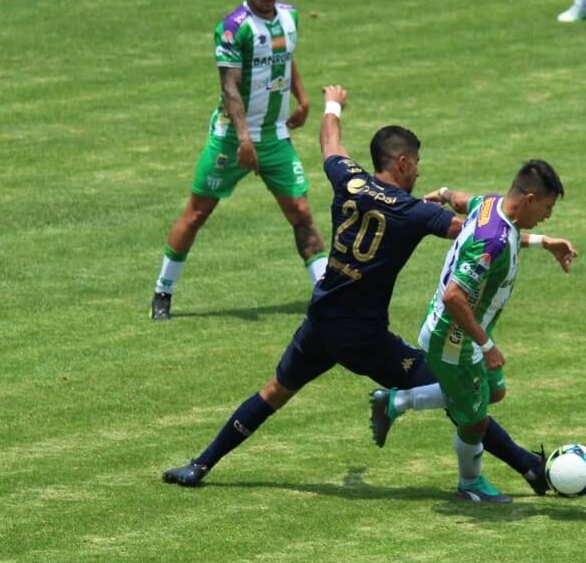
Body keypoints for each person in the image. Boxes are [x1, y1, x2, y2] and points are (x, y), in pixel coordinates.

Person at [160, 86, 460, 486]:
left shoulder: (350, 180)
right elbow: (477, 232)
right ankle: (515, 466)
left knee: (272, 394)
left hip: (321, 323)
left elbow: (330, 143)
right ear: (403, 163)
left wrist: (333, 104)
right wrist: (471, 206)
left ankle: (199, 465)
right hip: (364, 337)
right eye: (417, 164)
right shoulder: (414, 211)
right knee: (457, 391)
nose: (419, 172)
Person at [150, 0, 326, 321]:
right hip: (232, 139)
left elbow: (286, 56)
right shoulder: (233, 28)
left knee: (301, 212)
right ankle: (162, 293)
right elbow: (229, 87)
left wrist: (304, 98)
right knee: (197, 213)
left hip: (275, 137)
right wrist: (245, 140)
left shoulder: (289, 16)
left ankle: (326, 298)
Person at [410, 162, 575, 502]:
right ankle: (470, 484)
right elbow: (454, 296)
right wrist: (486, 347)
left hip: (469, 333)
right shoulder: (492, 241)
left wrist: (443, 193)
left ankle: (397, 401)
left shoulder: (490, 204)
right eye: (547, 207)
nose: (548, 216)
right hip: (455, 339)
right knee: (475, 422)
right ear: (530, 199)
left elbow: (460, 200)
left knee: (492, 393)